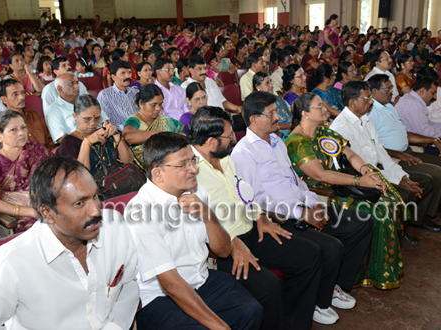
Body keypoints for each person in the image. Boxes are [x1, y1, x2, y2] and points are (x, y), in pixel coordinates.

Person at [233, 91, 373, 323]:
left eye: (276, 111)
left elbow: (296, 181)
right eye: (271, 113)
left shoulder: (277, 142)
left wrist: (314, 203)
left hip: (302, 207)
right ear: (253, 119)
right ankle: (319, 301)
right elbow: (255, 200)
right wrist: (301, 213)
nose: (278, 116)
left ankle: (333, 285)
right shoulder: (244, 152)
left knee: (359, 223)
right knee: (330, 247)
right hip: (280, 217)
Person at [0, 156, 140, 330]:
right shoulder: (10, 263)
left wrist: (115, 326)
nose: (95, 210)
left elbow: (129, 284)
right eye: (80, 203)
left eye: (95, 196)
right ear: (47, 213)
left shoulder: (114, 226)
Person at [189, 106, 323, 329]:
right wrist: (232, 244)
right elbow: (196, 223)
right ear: (211, 141)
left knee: (309, 254)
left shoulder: (224, 158)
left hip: (251, 229)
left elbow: (244, 192)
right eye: (228, 135)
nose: (233, 139)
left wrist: (260, 216)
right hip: (223, 247)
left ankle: (294, 323)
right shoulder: (189, 169)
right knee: (268, 287)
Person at [124, 132, 263, 329]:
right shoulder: (142, 211)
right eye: (183, 164)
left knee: (251, 310)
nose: (193, 169)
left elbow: (223, 251)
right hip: (160, 296)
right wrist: (220, 327)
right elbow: (170, 284)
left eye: (193, 160)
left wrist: (209, 216)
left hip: (201, 279)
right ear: (158, 173)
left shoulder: (197, 191)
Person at [285, 92, 406, 290]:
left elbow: (350, 154)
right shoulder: (297, 141)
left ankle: (369, 272)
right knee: (380, 211)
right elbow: (321, 175)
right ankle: (357, 275)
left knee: (388, 201)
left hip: (341, 186)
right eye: (320, 107)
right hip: (321, 196)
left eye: (324, 105)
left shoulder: (324, 132)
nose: (325, 110)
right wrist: (360, 181)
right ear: (305, 113)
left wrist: (366, 170)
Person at [367, 74, 441, 232]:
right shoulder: (372, 113)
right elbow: (373, 145)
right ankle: (420, 218)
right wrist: (400, 155)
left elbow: (404, 133)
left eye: (391, 88)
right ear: (373, 91)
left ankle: (427, 211)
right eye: (387, 89)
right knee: (433, 175)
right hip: (392, 158)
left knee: (438, 165)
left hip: (405, 152)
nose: (391, 92)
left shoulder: (389, 107)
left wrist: (434, 140)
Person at [0, 110, 50, 233]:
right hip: (20, 218)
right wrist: (32, 212)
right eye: (13, 130)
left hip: (48, 206)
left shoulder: (37, 150)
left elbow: (57, 178)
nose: (21, 133)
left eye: (23, 127)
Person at [59, 95, 133, 174]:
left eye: (97, 118)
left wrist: (117, 136)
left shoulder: (107, 133)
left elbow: (128, 162)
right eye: (87, 119)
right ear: (75, 116)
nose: (93, 123)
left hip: (121, 180)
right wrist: (86, 143)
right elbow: (80, 176)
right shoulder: (69, 142)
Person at [122, 84, 184, 168]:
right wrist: (161, 135)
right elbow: (128, 136)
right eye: (153, 105)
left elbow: (182, 132)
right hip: (145, 169)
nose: (158, 108)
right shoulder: (134, 120)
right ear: (141, 103)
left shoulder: (166, 120)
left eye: (160, 104)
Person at [180, 56, 243, 128]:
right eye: (200, 69)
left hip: (224, 117)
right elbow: (191, 111)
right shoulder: (185, 87)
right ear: (191, 70)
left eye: (205, 68)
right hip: (209, 122)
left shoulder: (210, 81)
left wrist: (239, 108)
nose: (204, 72)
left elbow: (223, 102)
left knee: (245, 119)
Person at [46, 73, 108, 144]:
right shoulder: (53, 109)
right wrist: (90, 140)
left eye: (77, 83)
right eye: (71, 84)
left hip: (102, 139)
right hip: (77, 145)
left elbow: (105, 122)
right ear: (60, 89)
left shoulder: (88, 101)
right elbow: (61, 138)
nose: (77, 86)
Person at [0, 79, 55, 150]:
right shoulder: (1, 123)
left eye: (22, 93)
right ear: (4, 99)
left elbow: (49, 142)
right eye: (15, 94)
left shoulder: (34, 115)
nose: (22, 97)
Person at [395, 77, 441, 153]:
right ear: (422, 91)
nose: (435, 97)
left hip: (422, 140)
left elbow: (429, 124)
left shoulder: (413, 100)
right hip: (416, 146)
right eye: (433, 93)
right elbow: (426, 132)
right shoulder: (412, 103)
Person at [97, 60, 140, 131]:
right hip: (119, 133)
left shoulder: (136, 92)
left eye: (129, 73)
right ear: (113, 77)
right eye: (123, 73)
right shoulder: (105, 95)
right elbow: (105, 121)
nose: (128, 76)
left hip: (140, 129)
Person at [252, 72, 292, 139]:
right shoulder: (256, 104)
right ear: (258, 87)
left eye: (271, 82)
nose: (271, 85)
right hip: (275, 135)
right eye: (267, 83)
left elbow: (289, 116)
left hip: (291, 131)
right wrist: (284, 126)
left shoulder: (278, 99)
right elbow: (261, 128)